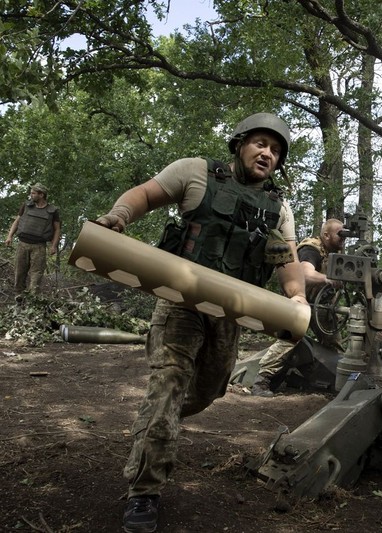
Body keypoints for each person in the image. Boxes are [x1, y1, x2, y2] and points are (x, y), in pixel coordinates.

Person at [94, 113, 307, 533]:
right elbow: (145, 194)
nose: (268, 154)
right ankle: (144, 492)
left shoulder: (278, 208)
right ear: (240, 143)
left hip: (230, 314)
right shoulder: (195, 172)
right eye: (261, 143)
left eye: (276, 150)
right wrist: (119, 216)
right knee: (170, 382)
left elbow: (288, 262)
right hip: (181, 303)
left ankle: (159, 419)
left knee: (208, 391)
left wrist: (296, 297)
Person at [252, 218, 347, 395]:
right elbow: (305, 272)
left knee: (335, 347)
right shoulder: (312, 248)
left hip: (322, 308)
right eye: (339, 234)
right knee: (289, 339)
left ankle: (336, 383)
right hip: (301, 304)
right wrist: (327, 279)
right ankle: (262, 380)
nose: (343, 239)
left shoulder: (334, 253)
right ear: (326, 235)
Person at [4, 183, 61, 296]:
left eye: (33, 193)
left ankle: (33, 301)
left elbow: (57, 229)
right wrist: (9, 236)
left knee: (36, 275)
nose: (31, 195)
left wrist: (53, 245)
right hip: (22, 244)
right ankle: (19, 299)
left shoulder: (52, 211)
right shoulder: (26, 206)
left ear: (41, 195)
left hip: (39, 247)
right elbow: (17, 221)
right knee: (19, 273)